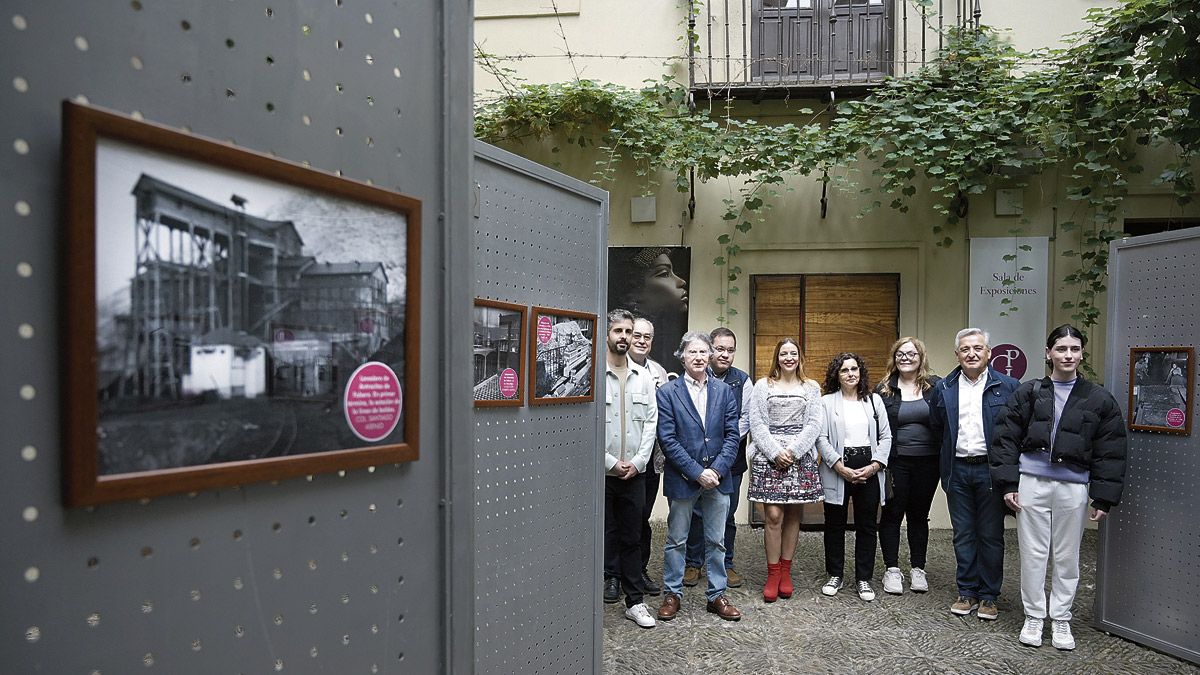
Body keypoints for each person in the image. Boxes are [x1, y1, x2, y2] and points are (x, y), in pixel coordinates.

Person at [991, 324, 1128, 650]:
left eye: (1075, 349)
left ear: (1081, 354)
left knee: (1067, 557)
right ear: (1048, 353)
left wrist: (1104, 497)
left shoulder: (1098, 399)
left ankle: (1062, 620)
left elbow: (1111, 448)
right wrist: (1009, 482)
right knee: (1033, 554)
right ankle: (1035, 617)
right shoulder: (1029, 391)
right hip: (1032, 485)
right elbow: (1005, 438)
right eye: (1062, 349)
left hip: (1073, 488)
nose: (1068, 355)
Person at [930, 328, 1020, 620]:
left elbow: (1017, 433)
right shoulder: (944, 388)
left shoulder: (1009, 387)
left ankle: (989, 596)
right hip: (957, 471)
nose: (971, 353)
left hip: (990, 472)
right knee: (964, 534)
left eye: (978, 348)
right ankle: (967, 591)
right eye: (965, 349)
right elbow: (937, 429)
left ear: (989, 353)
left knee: (991, 535)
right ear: (957, 354)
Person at [655, 332, 742, 622]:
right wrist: (696, 472)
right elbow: (667, 439)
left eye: (704, 352)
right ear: (682, 356)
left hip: (718, 479)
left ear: (710, 356)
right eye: (693, 352)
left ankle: (716, 595)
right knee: (676, 539)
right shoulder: (668, 393)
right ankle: (672, 593)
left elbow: (733, 435)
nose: (699, 357)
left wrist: (715, 470)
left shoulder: (724, 391)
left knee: (716, 540)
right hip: (683, 478)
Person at [746, 338, 824, 602]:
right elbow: (756, 423)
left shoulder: (811, 387)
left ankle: (786, 572)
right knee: (773, 516)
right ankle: (772, 572)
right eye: (783, 353)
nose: (788, 357)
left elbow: (814, 424)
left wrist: (793, 451)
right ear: (776, 357)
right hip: (769, 457)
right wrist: (774, 452)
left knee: (793, 515)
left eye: (793, 353)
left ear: (799, 357)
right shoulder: (762, 385)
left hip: (799, 457)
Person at [816, 353, 892, 602]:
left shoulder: (874, 401)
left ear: (861, 372)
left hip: (869, 467)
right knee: (834, 524)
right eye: (844, 370)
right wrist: (839, 467)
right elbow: (821, 438)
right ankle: (835, 574)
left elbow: (886, 437)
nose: (850, 374)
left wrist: (874, 466)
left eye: (854, 369)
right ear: (836, 375)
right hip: (838, 467)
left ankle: (863, 578)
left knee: (867, 525)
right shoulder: (826, 402)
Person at [601, 309, 659, 628]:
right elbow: (588, 423)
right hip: (603, 473)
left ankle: (634, 601)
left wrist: (637, 463)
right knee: (605, 533)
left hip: (634, 473)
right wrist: (610, 462)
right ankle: (609, 579)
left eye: (628, 331)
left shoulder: (644, 378)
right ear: (607, 335)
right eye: (618, 331)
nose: (623, 337)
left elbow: (651, 423)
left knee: (633, 536)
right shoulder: (594, 376)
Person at [683, 327, 753, 590]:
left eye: (730, 350)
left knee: (727, 514)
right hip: (698, 461)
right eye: (720, 349)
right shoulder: (695, 375)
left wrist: (726, 445)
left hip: (731, 460)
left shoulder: (743, 381)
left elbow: (746, 418)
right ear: (710, 349)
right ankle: (693, 562)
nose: (725, 354)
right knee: (697, 512)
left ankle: (726, 563)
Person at [875, 337, 942, 595]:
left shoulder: (936, 387)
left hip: (929, 462)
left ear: (921, 357)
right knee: (892, 514)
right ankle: (892, 569)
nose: (906, 358)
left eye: (912, 354)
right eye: (901, 354)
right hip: (896, 462)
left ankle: (917, 569)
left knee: (918, 515)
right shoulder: (884, 390)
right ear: (894, 358)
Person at [629, 317, 670, 597]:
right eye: (637, 335)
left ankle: (639, 570)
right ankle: (613, 573)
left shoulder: (659, 371)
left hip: (652, 459)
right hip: (623, 457)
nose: (642, 341)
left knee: (643, 516)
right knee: (621, 519)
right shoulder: (616, 365)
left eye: (647, 337)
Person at [608, 247, 689, 374]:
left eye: (647, 337)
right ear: (634, 290)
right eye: (664, 274)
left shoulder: (658, 367)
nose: (681, 281)